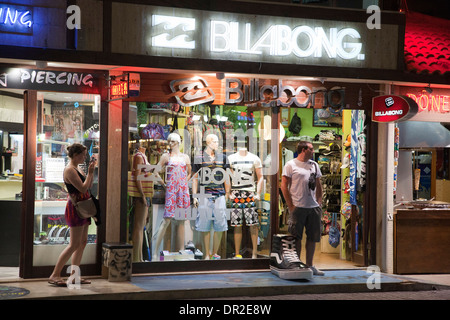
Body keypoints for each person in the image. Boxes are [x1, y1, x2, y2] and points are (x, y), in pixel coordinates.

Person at [48, 143, 96, 287]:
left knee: (82, 242)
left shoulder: (77, 168)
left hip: (84, 206)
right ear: (75, 155)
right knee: (74, 244)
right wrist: (90, 172)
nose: (85, 157)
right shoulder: (69, 170)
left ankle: (74, 276)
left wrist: (90, 173)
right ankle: (55, 274)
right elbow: (82, 188)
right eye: (83, 154)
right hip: (76, 207)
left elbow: (89, 185)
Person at [280, 140, 325, 276]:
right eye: (311, 149)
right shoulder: (290, 165)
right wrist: (290, 205)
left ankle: (310, 265)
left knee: (312, 237)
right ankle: (297, 264)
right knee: (295, 237)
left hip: (313, 207)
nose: (313, 151)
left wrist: (319, 201)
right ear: (303, 150)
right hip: (298, 207)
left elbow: (318, 184)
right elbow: (284, 186)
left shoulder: (314, 165)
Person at [152, 133, 191, 261]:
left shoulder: (185, 157)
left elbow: (189, 173)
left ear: (178, 142)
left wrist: (184, 183)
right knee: (166, 220)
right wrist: (164, 185)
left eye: (172, 141)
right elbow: (156, 172)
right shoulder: (166, 156)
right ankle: (155, 253)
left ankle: (180, 252)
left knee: (181, 221)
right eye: (169, 141)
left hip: (182, 190)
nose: (170, 144)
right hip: (171, 190)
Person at [192, 134, 230, 260]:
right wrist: (195, 195)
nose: (216, 143)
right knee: (205, 225)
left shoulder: (223, 158)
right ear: (207, 142)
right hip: (204, 195)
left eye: (218, 141)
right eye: (214, 141)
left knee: (220, 226)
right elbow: (195, 178)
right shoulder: (199, 158)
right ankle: (207, 254)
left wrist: (227, 193)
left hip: (219, 195)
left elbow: (226, 177)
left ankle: (214, 253)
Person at [228, 147, 263, 259]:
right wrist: (229, 192)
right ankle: (238, 253)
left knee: (253, 223)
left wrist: (258, 193)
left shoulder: (254, 158)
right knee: (237, 224)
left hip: (249, 192)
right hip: (236, 193)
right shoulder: (231, 158)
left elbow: (261, 176)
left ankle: (254, 253)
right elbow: (227, 177)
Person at [130, 140, 152, 262]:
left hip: (145, 193)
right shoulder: (138, 156)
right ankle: (136, 258)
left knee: (141, 226)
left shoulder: (143, 156)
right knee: (138, 227)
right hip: (141, 194)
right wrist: (142, 195)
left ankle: (140, 257)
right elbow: (137, 177)